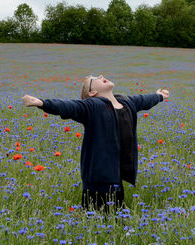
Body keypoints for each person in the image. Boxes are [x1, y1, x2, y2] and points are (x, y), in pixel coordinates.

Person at [22, 74, 169, 216]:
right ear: (93, 92)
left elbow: (143, 100)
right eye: (95, 80)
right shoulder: (93, 106)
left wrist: (159, 96)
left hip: (116, 175)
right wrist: (42, 103)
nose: (101, 76)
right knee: (95, 220)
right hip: (97, 178)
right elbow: (70, 107)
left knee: (116, 220)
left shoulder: (126, 102)